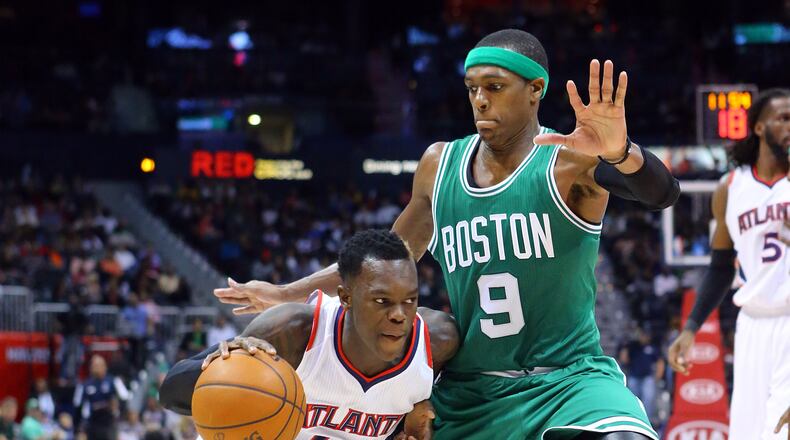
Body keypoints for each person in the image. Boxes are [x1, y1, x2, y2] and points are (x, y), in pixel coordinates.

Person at [214, 29, 679, 439]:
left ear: (535, 89)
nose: (480, 99)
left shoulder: (568, 160)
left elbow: (661, 193)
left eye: (494, 87)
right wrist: (285, 294)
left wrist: (622, 152)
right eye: (472, 88)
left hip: (567, 379)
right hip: (471, 388)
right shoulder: (440, 166)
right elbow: (379, 265)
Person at [160, 230, 459, 440]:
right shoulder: (292, 332)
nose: (399, 314)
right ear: (346, 298)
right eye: (382, 301)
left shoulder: (438, 342)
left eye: (410, 300)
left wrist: (408, 426)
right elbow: (171, 392)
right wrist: (222, 370)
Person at [668, 88, 790, 440]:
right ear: (759, 128)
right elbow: (721, 267)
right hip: (752, 325)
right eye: (783, 118)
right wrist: (691, 327)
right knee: (747, 434)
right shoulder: (730, 187)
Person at [73, 355, 130, 440]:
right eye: (94, 366)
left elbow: (125, 399)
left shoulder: (114, 381)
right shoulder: (84, 385)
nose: (97, 368)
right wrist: (80, 430)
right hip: (92, 423)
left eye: (99, 365)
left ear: (105, 367)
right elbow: (77, 405)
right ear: (90, 368)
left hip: (109, 423)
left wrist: (117, 409)